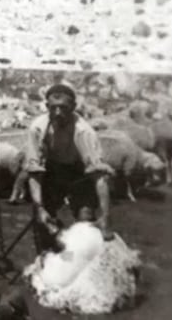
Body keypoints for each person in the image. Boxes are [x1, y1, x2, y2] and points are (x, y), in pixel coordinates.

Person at [25, 84, 115, 253]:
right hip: (51, 170)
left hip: (78, 171)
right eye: (53, 108)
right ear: (46, 107)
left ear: (73, 108)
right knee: (44, 219)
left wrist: (105, 216)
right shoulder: (37, 128)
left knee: (86, 218)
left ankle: (86, 263)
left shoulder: (84, 132)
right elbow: (34, 171)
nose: (58, 113)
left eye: (64, 108)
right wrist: (39, 208)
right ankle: (45, 259)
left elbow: (99, 176)